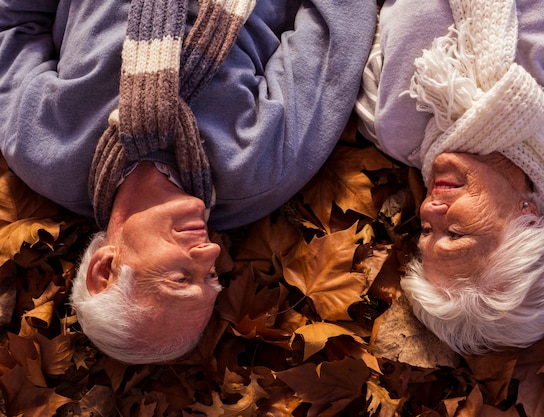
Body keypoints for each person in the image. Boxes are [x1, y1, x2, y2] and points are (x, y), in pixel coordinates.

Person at [0, 0, 377, 363]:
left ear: (105, 269)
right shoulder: (257, 169)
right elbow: (336, 30)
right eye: (210, 275)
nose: (212, 252)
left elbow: (12, 26)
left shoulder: (44, 149)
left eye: (180, 278)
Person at [356, 0, 544, 355]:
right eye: (455, 232)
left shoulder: (391, 129)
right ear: (526, 219)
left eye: (425, 232)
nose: (430, 210)